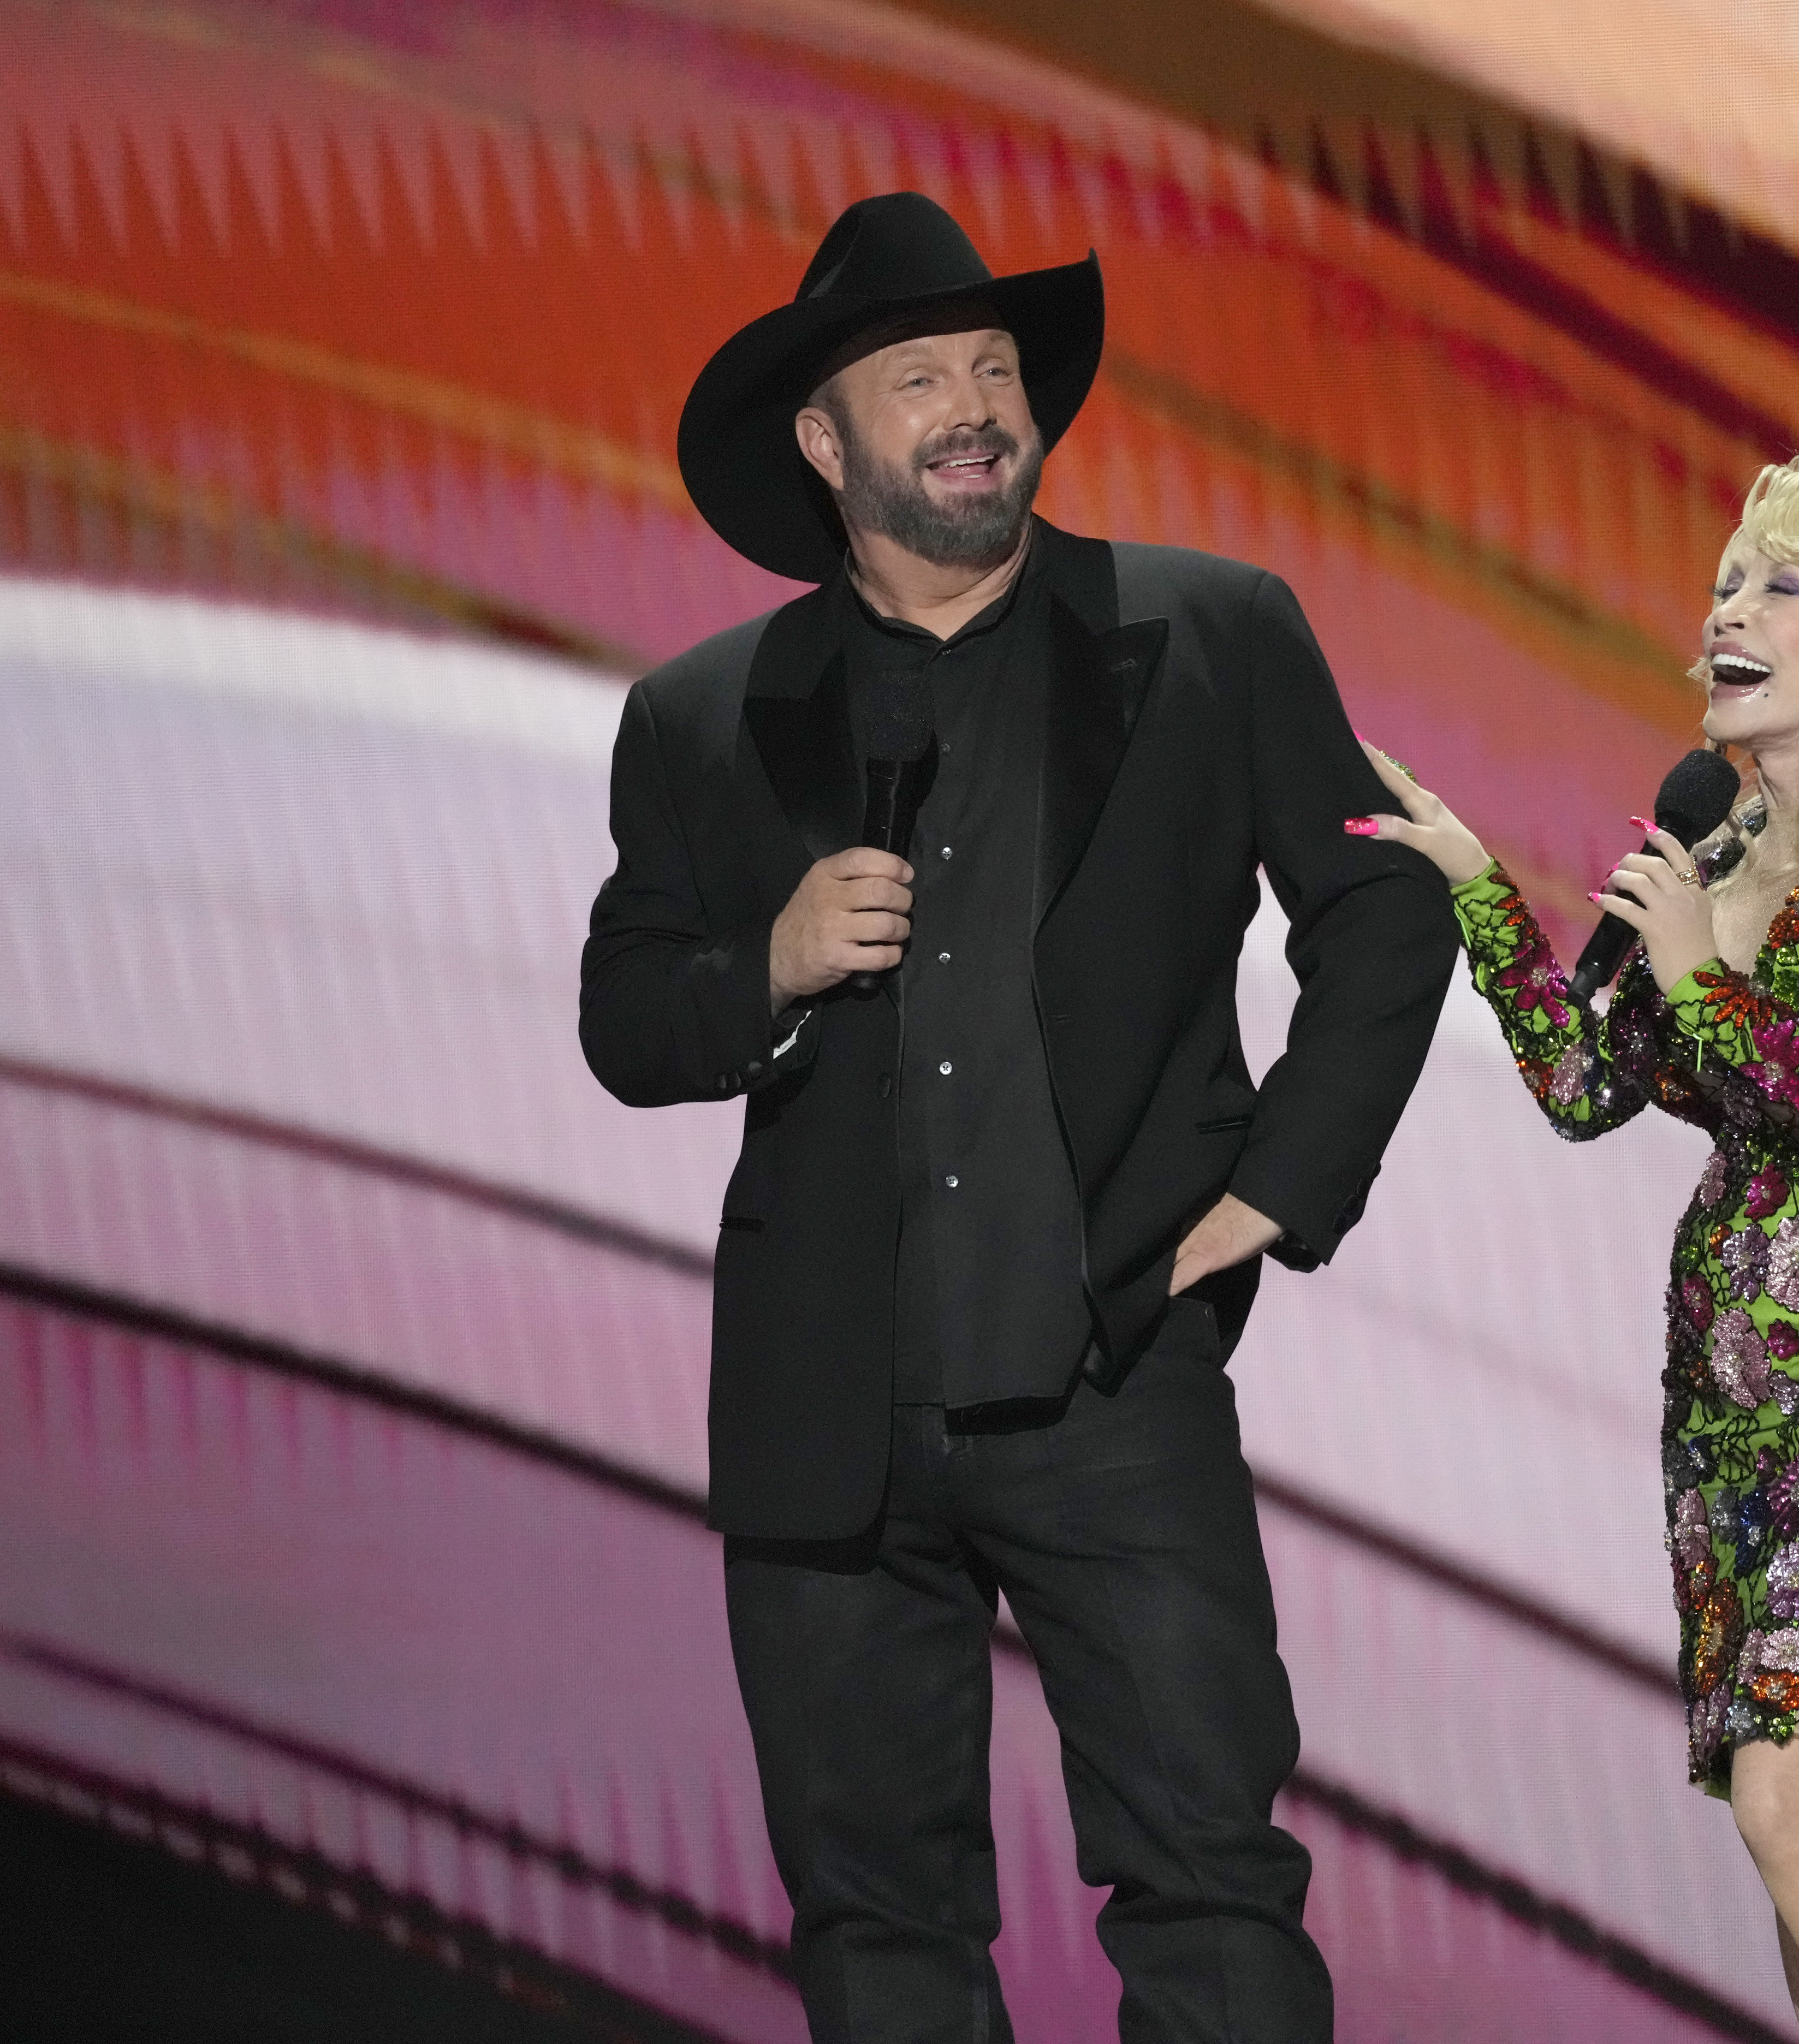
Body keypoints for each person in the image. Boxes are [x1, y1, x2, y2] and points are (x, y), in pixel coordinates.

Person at [579, 191, 1456, 2043]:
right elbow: (627, 1015)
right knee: (877, 1921)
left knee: (1211, 1883)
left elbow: (1386, 908)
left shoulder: (1209, 632)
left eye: (994, 371)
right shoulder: (704, 713)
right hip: (828, 1405)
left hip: (1110, 1374)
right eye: (921, 380)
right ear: (826, 445)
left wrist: (1279, 1187)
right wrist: (768, 966)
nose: (975, 407)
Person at [1353, 445, 1799, 2044]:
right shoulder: (1718, 845)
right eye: (1727, 582)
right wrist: (1476, 885)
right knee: (1792, 1801)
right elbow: (1584, 1088)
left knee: (1786, 1797)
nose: (1726, 611)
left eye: (1779, 586)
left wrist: (1702, 978)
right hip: (1732, 1376)